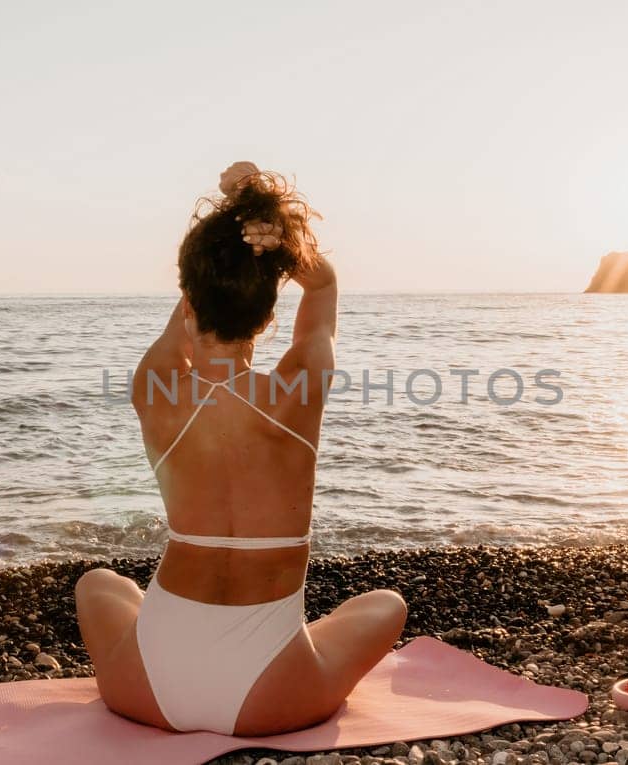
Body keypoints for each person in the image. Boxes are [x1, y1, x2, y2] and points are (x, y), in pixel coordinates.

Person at [74, 162, 407, 736]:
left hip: (145, 690)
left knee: (98, 584)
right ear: (269, 316)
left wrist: (222, 239)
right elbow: (323, 286)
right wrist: (276, 235)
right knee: (388, 604)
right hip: (271, 699)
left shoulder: (152, 391)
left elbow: (189, 311)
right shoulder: (296, 393)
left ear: (189, 299)